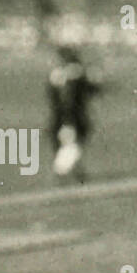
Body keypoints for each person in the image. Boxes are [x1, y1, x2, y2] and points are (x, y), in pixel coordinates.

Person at [47, 46, 102, 183]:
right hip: (72, 116)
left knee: (69, 143)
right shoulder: (76, 74)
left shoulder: (57, 74)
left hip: (60, 116)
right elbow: (91, 90)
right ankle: (62, 170)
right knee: (73, 144)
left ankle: (76, 173)